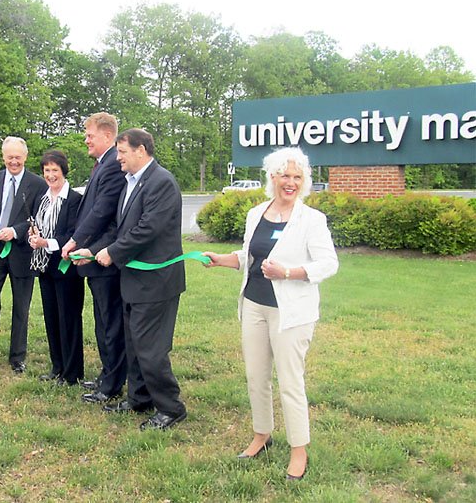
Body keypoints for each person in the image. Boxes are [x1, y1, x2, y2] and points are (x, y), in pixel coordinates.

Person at [202, 147, 338, 480]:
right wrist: (223, 259)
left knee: (291, 382)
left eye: (297, 177)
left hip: (291, 313)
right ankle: (261, 436)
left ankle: (298, 451)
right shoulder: (257, 213)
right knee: (256, 376)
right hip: (254, 306)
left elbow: (328, 263)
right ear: (272, 177)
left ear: (303, 181)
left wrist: (289, 272)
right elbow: (250, 256)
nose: (290, 182)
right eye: (284, 175)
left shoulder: (312, 220)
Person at [92, 128, 187, 431]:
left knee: (150, 346)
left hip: (156, 281)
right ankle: (139, 398)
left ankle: (170, 408)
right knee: (134, 343)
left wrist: (113, 252)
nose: (117, 157)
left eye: (121, 151)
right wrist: (95, 250)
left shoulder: (162, 183)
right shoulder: (130, 183)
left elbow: (148, 228)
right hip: (133, 280)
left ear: (141, 150)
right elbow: (121, 228)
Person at [61, 113, 127, 403]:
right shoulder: (102, 164)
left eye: (89, 134)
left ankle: (112, 384)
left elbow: (103, 212)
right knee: (102, 321)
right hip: (93, 255)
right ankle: (106, 374)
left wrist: (77, 241)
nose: (85, 139)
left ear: (107, 136)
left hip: (104, 256)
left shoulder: (113, 165)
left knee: (110, 323)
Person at [0, 136, 47, 374]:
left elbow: (38, 218)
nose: (13, 161)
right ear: (3, 157)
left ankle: (17, 357)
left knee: (21, 307)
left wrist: (15, 231)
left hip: (22, 254)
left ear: (25, 157)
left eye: (18, 157)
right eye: (9, 157)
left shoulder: (37, 184)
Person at [29, 150, 85, 386]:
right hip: (45, 267)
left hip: (66, 268)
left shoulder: (74, 200)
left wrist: (47, 242)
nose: (50, 175)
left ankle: (72, 374)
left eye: (55, 170)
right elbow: (35, 224)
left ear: (63, 171)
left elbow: (74, 234)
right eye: (47, 171)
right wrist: (32, 236)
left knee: (68, 319)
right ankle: (57, 366)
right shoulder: (41, 199)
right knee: (51, 318)